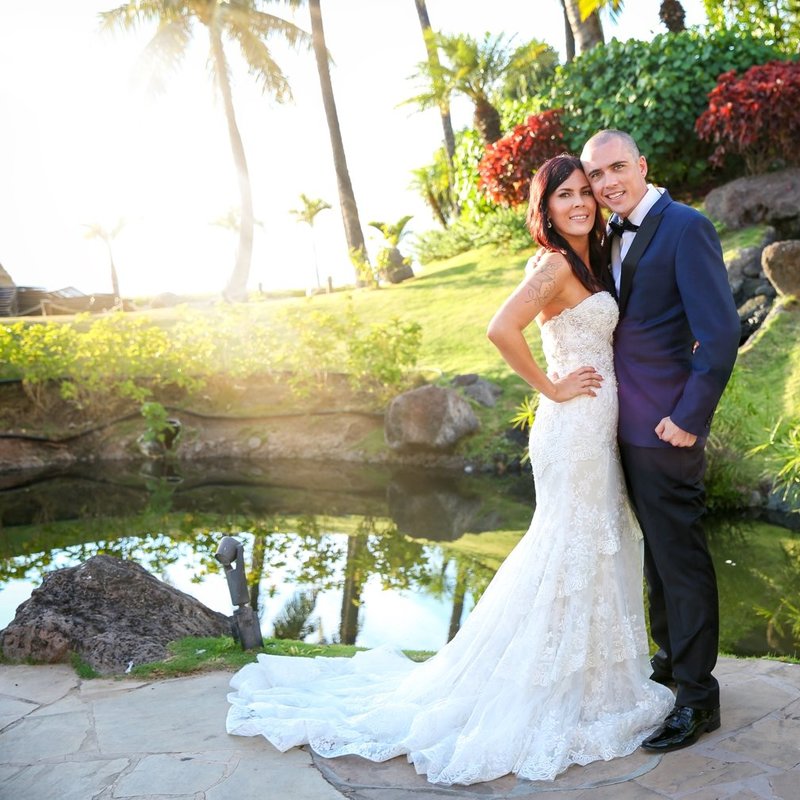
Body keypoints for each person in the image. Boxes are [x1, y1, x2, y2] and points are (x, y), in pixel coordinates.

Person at [225, 154, 674, 784]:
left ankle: (595, 685)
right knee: (569, 547)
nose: (578, 203)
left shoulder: (587, 261)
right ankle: (544, 692)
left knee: (593, 547)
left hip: (595, 426)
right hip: (572, 426)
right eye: (563, 196)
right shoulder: (551, 265)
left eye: (583, 193)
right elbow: (500, 328)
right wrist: (550, 386)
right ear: (543, 209)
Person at [580, 130, 741, 753]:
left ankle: (700, 699)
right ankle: (670, 668)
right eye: (596, 175)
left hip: (667, 428)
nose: (607, 182)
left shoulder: (685, 227)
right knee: (657, 558)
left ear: (642, 165)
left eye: (617, 167)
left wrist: (689, 417)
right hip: (622, 424)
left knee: (682, 558)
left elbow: (720, 335)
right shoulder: (609, 236)